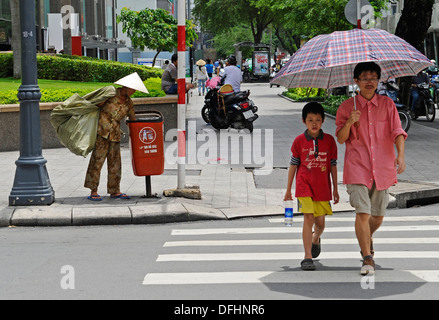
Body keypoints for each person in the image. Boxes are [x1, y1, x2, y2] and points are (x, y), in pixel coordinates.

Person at [335, 62, 407, 275]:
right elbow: (340, 139)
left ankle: (367, 236)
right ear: (356, 81)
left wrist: (400, 155)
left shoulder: (387, 104)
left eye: (373, 77)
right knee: (363, 213)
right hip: (357, 167)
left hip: (383, 167)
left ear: (378, 81)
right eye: (365, 78)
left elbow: (397, 131)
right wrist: (349, 122)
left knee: (378, 216)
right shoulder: (347, 107)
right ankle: (367, 258)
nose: (369, 82)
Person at [284, 102, 339, 271]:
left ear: (323, 121)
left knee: (320, 224)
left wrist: (336, 189)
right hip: (304, 186)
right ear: (304, 121)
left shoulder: (329, 141)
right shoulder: (299, 141)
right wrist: (288, 190)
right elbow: (293, 165)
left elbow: (333, 165)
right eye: (310, 120)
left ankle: (316, 239)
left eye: (317, 119)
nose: (314, 123)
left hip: (322, 188)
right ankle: (307, 257)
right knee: (308, 218)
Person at [84, 72, 149, 201]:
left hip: (115, 135)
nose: (133, 92)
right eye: (132, 89)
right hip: (101, 133)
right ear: (125, 87)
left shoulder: (129, 103)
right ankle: (93, 190)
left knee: (115, 164)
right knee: (97, 161)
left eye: (135, 90)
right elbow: (93, 105)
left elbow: (132, 118)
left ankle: (115, 191)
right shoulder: (111, 94)